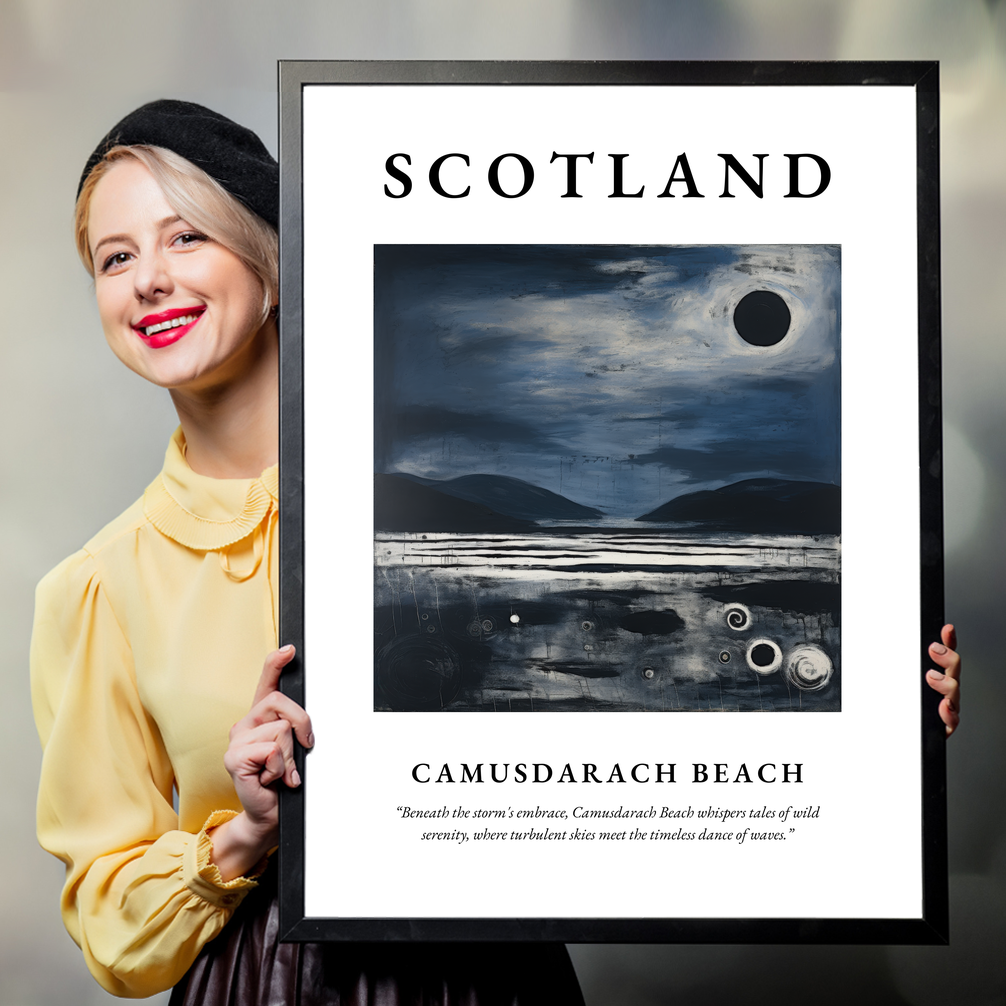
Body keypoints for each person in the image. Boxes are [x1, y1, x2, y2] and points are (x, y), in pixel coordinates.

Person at [30, 100, 585, 1004]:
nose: (148, 281)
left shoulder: (461, 510)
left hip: (491, 975)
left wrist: (885, 708)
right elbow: (110, 924)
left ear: (274, 264)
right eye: (116, 257)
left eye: (186, 239)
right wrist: (245, 832)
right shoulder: (97, 587)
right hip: (263, 981)